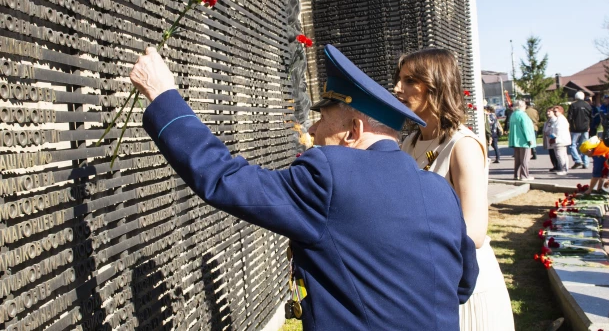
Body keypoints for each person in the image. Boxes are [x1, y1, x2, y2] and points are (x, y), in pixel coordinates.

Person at [131, 45, 479, 330]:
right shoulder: (439, 191)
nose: (312, 130)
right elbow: (461, 284)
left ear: (353, 131)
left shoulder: (330, 174)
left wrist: (164, 97)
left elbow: (225, 179)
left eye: (323, 118)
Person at [393, 48, 514, 331]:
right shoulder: (409, 143)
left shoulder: (463, 145)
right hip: (426, 280)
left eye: (409, 80)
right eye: (399, 79)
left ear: (435, 84)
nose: (398, 88)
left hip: (463, 284)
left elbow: (474, 232)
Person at [508, 100, 537, 180]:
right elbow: (526, 128)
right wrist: (529, 139)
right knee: (525, 159)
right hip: (524, 140)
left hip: (515, 140)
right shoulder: (523, 115)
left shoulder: (513, 114)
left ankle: (516, 175)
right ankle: (524, 175)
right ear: (521, 106)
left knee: (517, 159)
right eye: (524, 105)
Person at [567, 91, 592, 169]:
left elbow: (569, 117)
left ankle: (578, 160)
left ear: (575, 97)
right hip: (585, 128)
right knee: (585, 146)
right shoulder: (587, 105)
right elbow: (591, 116)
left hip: (575, 129)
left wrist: (570, 125)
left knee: (572, 145)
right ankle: (586, 163)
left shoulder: (573, 105)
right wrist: (589, 126)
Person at [549, 105, 571, 176]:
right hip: (561, 139)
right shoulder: (559, 119)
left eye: (556, 111)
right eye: (554, 111)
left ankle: (563, 169)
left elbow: (558, 130)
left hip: (560, 140)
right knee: (563, 155)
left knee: (560, 155)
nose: (555, 113)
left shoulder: (560, 120)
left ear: (561, 111)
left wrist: (553, 137)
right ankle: (565, 168)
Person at [543, 107, 559, 171]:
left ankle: (558, 166)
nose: (547, 113)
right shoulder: (548, 120)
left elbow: (555, 130)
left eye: (549, 111)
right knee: (551, 154)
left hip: (552, 139)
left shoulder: (555, 120)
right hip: (549, 139)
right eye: (547, 112)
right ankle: (555, 166)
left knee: (555, 154)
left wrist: (551, 136)